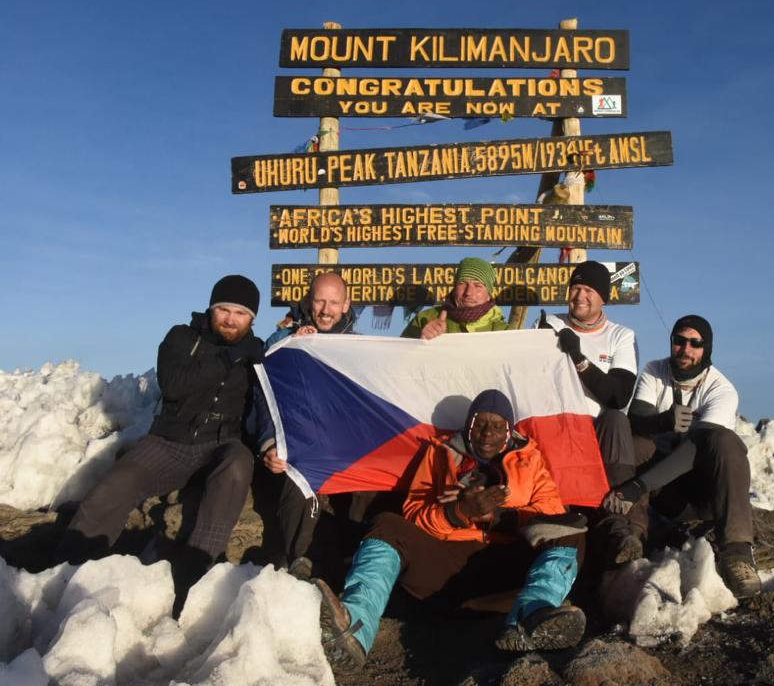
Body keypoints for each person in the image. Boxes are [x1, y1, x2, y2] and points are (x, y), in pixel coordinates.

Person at [313, 390, 588, 678]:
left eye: (497, 426)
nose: (487, 434)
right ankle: (355, 627)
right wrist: (459, 513)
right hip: (444, 560)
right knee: (388, 524)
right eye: (480, 424)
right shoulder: (441, 452)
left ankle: (530, 617)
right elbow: (415, 512)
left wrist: (497, 518)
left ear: (509, 430)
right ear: (468, 425)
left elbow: (551, 511)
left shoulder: (529, 459)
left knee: (570, 533)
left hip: (504, 566)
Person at [55, 275, 264, 604]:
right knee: (117, 484)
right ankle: (66, 575)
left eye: (241, 313)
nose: (230, 319)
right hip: (170, 441)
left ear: (252, 318)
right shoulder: (182, 338)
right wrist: (229, 358)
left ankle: (194, 578)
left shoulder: (256, 354)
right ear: (212, 309)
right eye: (224, 309)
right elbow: (174, 386)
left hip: (221, 443)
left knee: (238, 463)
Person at [608, 315, 761, 599]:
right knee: (635, 442)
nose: (685, 349)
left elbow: (695, 450)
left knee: (726, 441)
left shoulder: (721, 390)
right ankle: (630, 534)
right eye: (679, 341)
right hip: (664, 493)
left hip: (701, 496)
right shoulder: (655, 371)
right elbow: (638, 420)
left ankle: (738, 553)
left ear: (707, 348)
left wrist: (639, 485)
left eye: (695, 343)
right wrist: (665, 421)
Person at [535, 260, 639, 564]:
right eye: (576, 287)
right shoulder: (549, 324)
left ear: (603, 298)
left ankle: (616, 522)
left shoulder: (621, 336)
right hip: (558, 426)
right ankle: (557, 526)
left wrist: (578, 358)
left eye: (589, 290)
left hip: (599, 431)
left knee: (616, 418)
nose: (580, 295)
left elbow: (618, 396)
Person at [253, 272, 356, 577]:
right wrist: (269, 442)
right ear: (310, 300)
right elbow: (264, 393)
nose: (326, 309)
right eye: (320, 300)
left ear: (346, 304)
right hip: (299, 441)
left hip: (342, 443)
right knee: (300, 476)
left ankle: (352, 564)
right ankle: (300, 561)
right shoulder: (285, 339)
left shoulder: (359, 347)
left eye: (334, 302)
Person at [401, 257, 509, 338]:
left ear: (489, 294)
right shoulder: (426, 319)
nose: (468, 292)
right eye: (462, 284)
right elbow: (398, 359)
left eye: (477, 286)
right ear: (454, 288)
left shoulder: (504, 332)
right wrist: (421, 341)